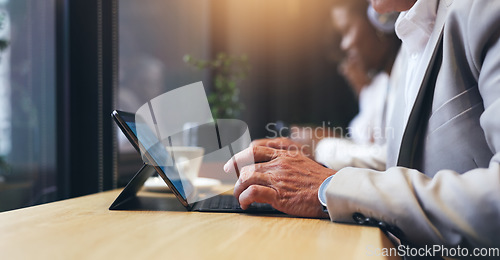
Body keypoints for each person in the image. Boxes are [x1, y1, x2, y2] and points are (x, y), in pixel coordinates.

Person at [224, 0, 500, 250]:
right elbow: (401, 165)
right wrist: (305, 164)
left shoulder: (484, 9)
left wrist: (328, 185)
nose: (344, 46)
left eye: (347, 31)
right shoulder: (411, 40)